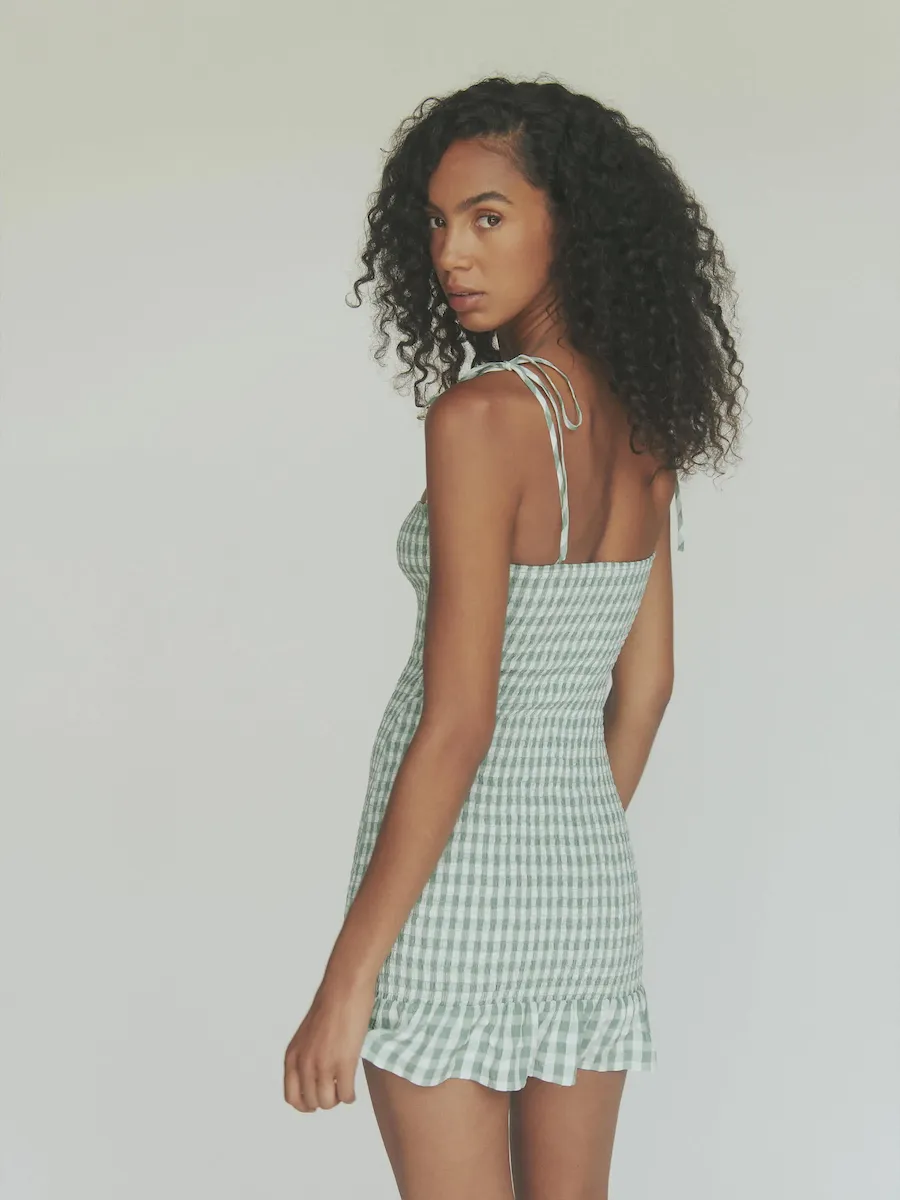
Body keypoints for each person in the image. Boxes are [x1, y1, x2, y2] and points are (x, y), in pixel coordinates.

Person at [284, 75, 745, 1199]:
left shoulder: (482, 418)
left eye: (487, 217)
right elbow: (648, 687)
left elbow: (458, 722)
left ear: (568, 224)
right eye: (438, 223)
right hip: (585, 892)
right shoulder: (648, 422)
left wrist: (347, 980)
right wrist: (558, 841)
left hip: (447, 899)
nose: (451, 253)